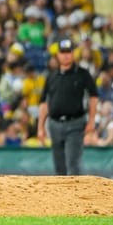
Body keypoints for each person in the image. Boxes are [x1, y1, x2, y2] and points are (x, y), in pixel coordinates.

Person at [37, 38, 99, 175]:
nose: (66, 55)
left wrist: (91, 120)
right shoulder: (51, 76)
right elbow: (44, 102)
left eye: (68, 52)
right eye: (63, 52)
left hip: (75, 123)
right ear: (57, 55)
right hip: (54, 124)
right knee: (59, 167)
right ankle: (62, 196)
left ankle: (76, 195)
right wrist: (40, 126)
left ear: (73, 54)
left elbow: (93, 97)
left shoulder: (82, 74)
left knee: (73, 165)